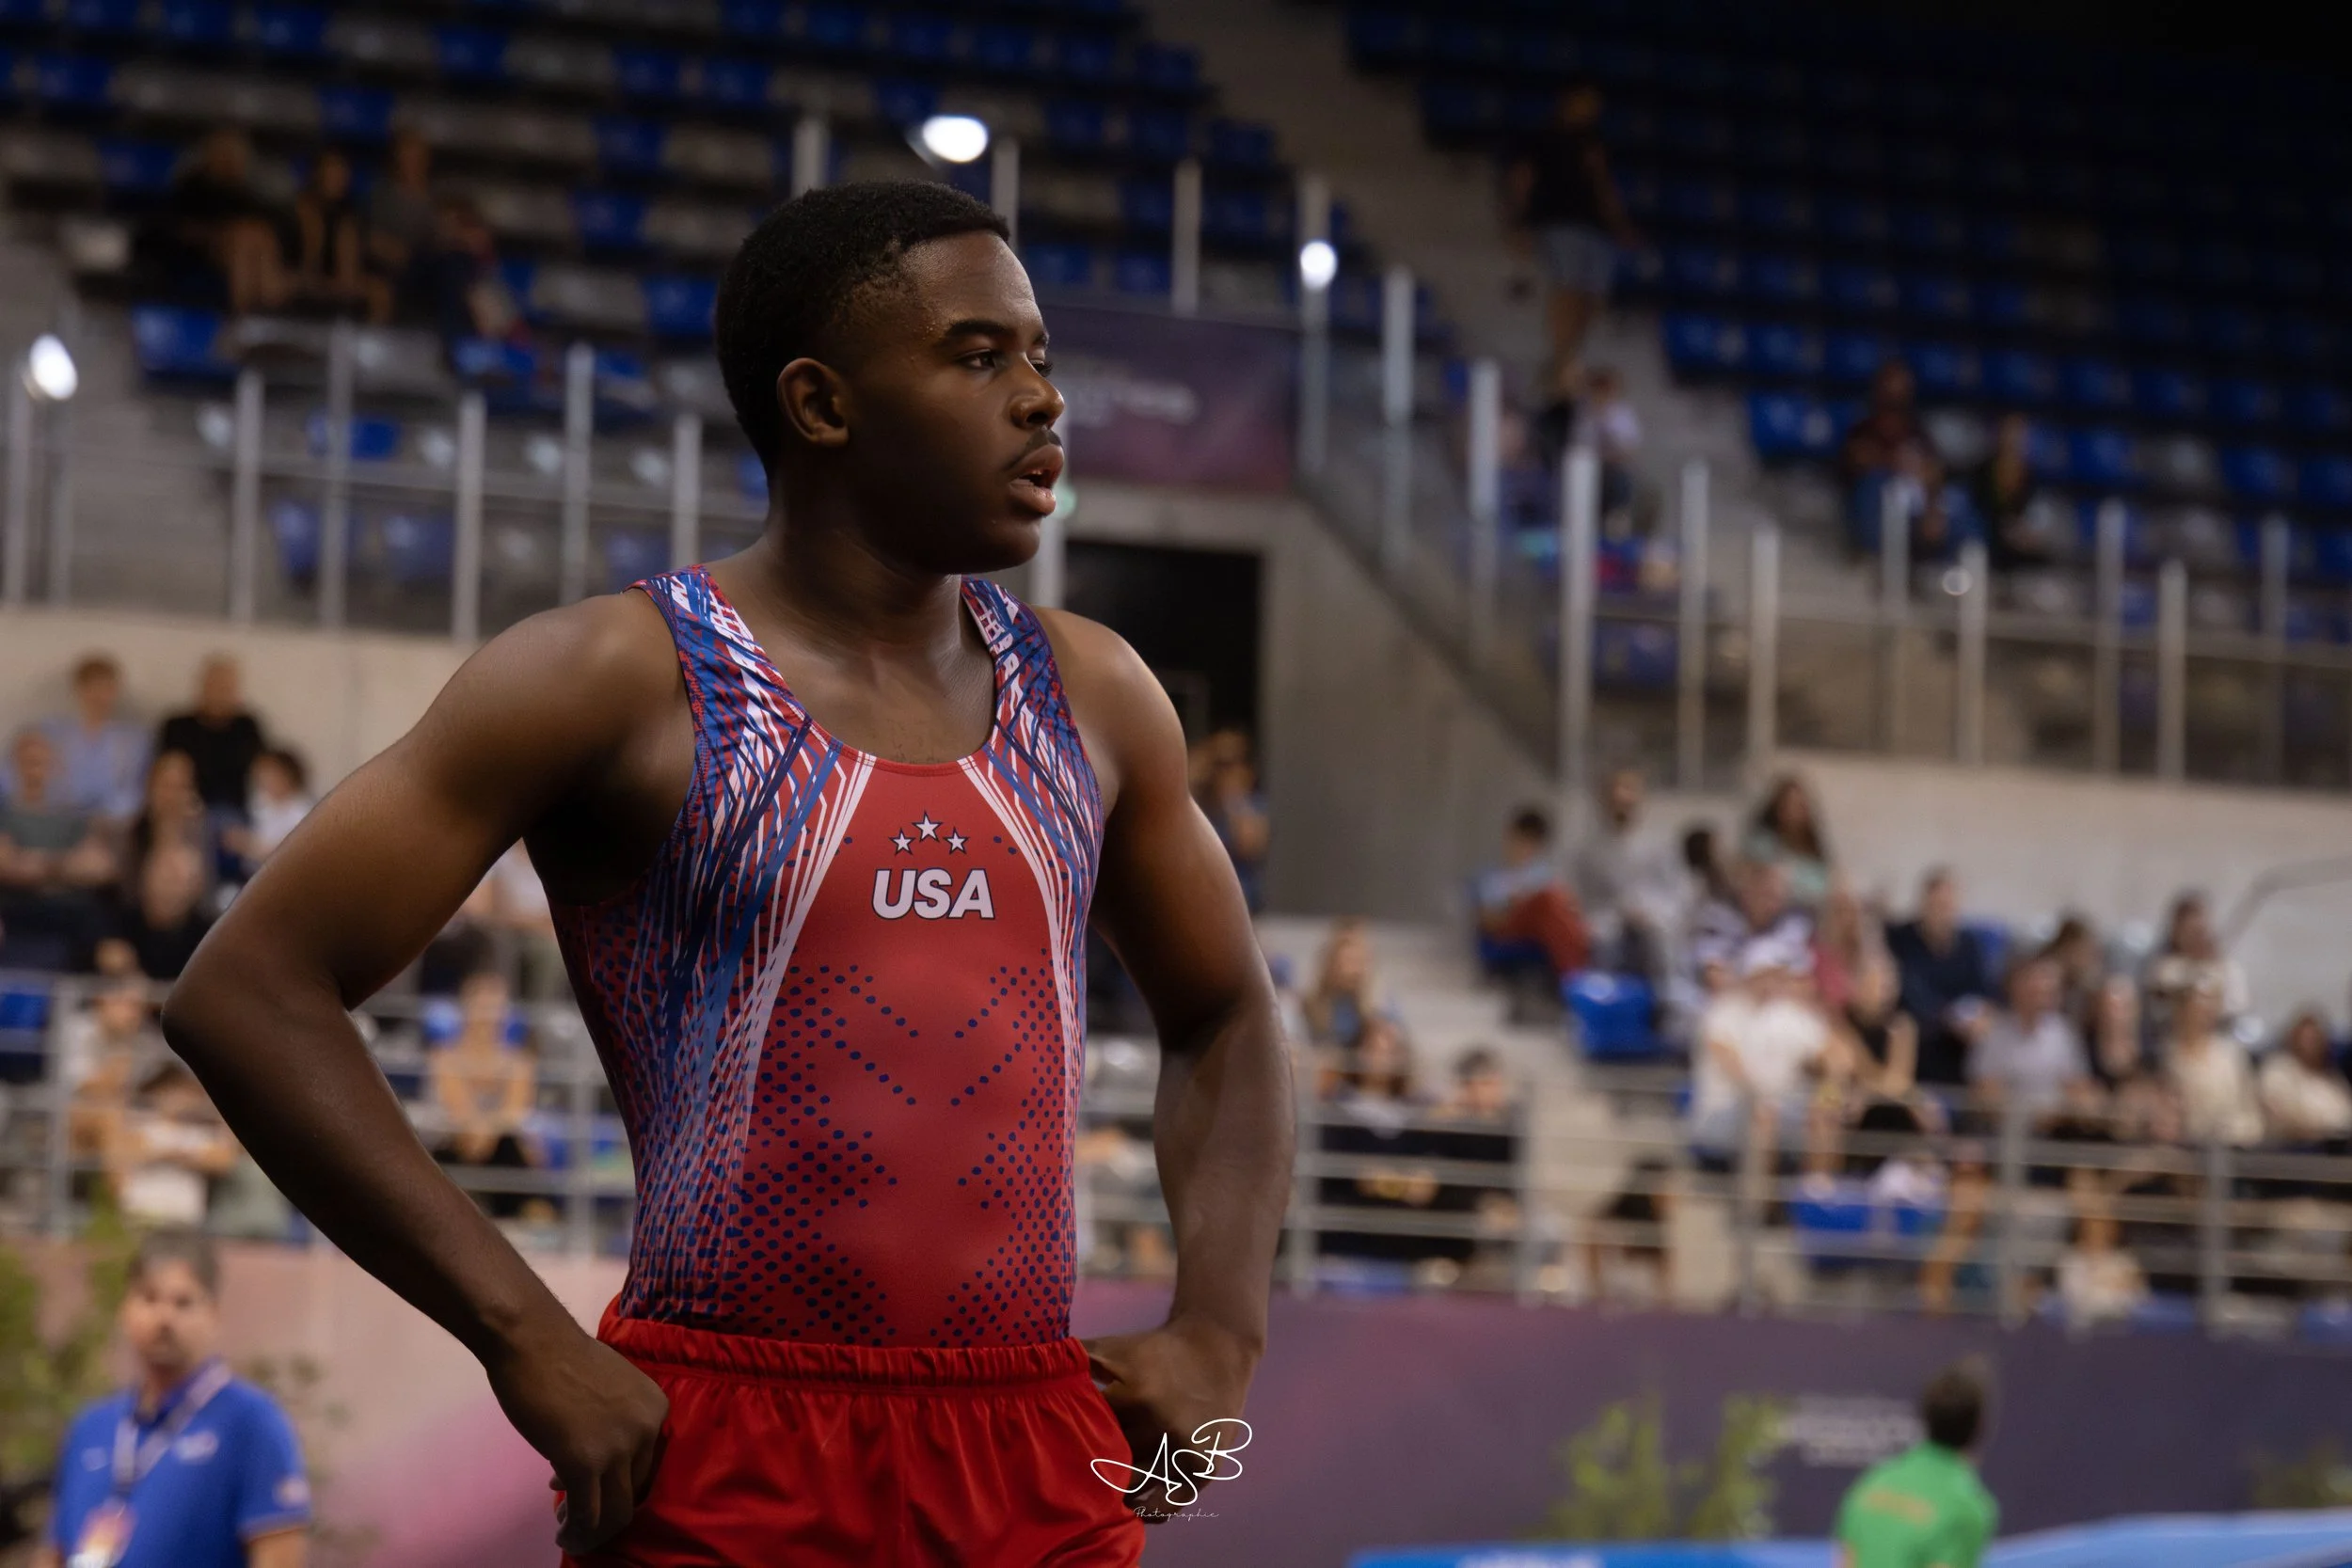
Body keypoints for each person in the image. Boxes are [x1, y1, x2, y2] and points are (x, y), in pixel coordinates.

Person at [163, 181, 1292, 1560]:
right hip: (723, 1440)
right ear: (819, 404)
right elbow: (248, 989)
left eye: (1041, 356)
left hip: (1030, 1448)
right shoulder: (616, 679)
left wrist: (1222, 1328)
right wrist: (521, 1335)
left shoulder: (1098, 694)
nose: (1044, 398)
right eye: (980, 355)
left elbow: (1229, 1014)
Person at [37, 1228, 310, 1568]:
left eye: (183, 1302)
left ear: (213, 1314)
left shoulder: (251, 1422)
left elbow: (279, 1555)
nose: (164, 1318)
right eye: (149, 1298)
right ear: (126, 1309)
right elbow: (54, 1553)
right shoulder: (91, 1427)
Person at [1503, 81, 1641, 427]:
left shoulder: (1594, 144)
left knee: (1591, 294)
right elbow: (1523, 178)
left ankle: (1570, 354)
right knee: (1567, 286)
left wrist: (1619, 224)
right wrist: (1519, 222)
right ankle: (1562, 357)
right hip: (1559, 222)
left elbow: (1603, 186)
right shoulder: (1544, 138)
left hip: (1594, 229)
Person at [1833, 1360, 1997, 1568]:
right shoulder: (1967, 1509)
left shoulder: (1872, 1482)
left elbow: (1845, 1562)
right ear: (1980, 1426)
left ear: (1926, 1416)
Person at [1687, 947, 1839, 1167]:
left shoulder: (1789, 1014)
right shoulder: (1724, 1011)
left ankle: (1816, 1193)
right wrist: (1765, 1099)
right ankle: (1759, 1199)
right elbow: (1732, 1065)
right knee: (1763, 1117)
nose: (1769, 983)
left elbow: (1833, 1056)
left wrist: (1828, 1091)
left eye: (1775, 976)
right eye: (1763, 976)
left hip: (1780, 1109)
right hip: (1725, 1111)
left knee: (1825, 1110)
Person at [426, 966, 548, 1223]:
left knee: (517, 1148)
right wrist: (480, 1128)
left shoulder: (519, 1062)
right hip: (457, 1145)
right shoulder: (444, 1057)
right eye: (481, 1004)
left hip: (501, 1148)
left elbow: (515, 1112)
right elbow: (457, 1110)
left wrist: (486, 1129)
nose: (487, 1014)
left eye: (494, 1005)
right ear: (465, 1007)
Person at [0, 727, 119, 966]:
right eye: (28, 762)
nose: (35, 770)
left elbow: (100, 868)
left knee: (105, 931)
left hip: (71, 909)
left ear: (53, 765)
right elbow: (8, 866)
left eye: (41, 762)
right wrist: (66, 866)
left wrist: (40, 864)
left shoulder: (73, 816)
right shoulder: (5, 813)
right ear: (15, 765)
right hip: (16, 905)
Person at [1569, 768, 1687, 981]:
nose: (1622, 798)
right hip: (1606, 928)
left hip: (1652, 925)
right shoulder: (1589, 851)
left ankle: (1667, 1005)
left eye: (1629, 791)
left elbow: (1677, 894)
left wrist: (1650, 915)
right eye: (1616, 793)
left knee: (1660, 949)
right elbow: (1579, 899)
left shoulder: (1660, 845)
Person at [1886, 869, 1996, 1088]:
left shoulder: (1969, 945)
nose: (1942, 913)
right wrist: (1946, 1018)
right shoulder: (1901, 940)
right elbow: (1907, 991)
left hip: (1963, 1043)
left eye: (1947, 906)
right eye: (1936, 905)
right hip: (1919, 1035)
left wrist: (1981, 1017)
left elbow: (1984, 992)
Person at [164, 128, 288, 318]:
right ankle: (242, 312)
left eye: (234, 156)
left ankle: (270, 305)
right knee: (242, 238)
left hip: (245, 247)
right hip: (201, 249)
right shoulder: (193, 187)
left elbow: (258, 223)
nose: (230, 161)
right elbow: (181, 228)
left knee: (259, 234)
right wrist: (220, 233)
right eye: (224, 154)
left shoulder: (244, 193)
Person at [1840, 360, 1947, 559]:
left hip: (1914, 505)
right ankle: (1875, 558)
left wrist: (1931, 500)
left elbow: (1933, 469)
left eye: (1902, 384)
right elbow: (1857, 458)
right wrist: (1894, 462)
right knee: (1875, 486)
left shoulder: (1917, 431)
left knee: (1954, 504)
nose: (1896, 391)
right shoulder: (1864, 428)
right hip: (1879, 502)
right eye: (1892, 383)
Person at [1968, 956, 2091, 1127]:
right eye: (2035, 982)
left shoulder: (2063, 1032)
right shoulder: (1994, 1033)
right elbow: (1986, 1092)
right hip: (2006, 1130)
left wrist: (2059, 1113)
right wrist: (2030, 1117)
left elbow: (2078, 1086)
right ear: (2016, 986)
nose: (2043, 988)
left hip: (2057, 1127)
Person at [1473, 806, 1592, 983]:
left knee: (1554, 902)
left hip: (1541, 929)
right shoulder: (1493, 878)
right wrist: (1515, 903)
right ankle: (1576, 975)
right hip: (1508, 926)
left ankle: (1574, 972)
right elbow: (1487, 921)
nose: (1525, 847)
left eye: (1532, 842)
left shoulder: (1543, 874)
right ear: (1510, 838)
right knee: (1548, 899)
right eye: (1521, 839)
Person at [36, 653, 151, 823]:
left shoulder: (134, 739)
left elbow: (139, 788)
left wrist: (111, 813)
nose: (99, 696)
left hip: (114, 824)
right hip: (58, 818)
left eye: (106, 688)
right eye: (92, 687)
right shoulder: (53, 733)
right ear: (78, 689)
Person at [157, 657, 266, 818]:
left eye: (225, 687)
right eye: (214, 685)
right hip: (182, 810)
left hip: (235, 813)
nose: (219, 693)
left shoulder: (247, 728)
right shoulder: (177, 726)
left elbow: (261, 773)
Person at [291, 149, 389, 323]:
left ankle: (372, 342)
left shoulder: (347, 217)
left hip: (334, 283)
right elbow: (308, 263)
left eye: (341, 173)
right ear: (317, 175)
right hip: (300, 277)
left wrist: (342, 283)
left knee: (379, 291)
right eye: (331, 171)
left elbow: (347, 274)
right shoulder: (303, 209)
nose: (337, 179)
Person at [2164, 979, 2263, 1148]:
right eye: (2196, 1006)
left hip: (2236, 1145)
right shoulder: (2169, 1057)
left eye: (2208, 1006)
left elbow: (2249, 1107)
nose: (2202, 1012)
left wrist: (2244, 1132)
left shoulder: (2231, 1054)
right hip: (2189, 1146)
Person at [2143, 891, 2249, 1034]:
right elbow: (2158, 1009)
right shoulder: (2163, 969)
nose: (2195, 939)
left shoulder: (2227, 969)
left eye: (2199, 931)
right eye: (2189, 932)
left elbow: (2237, 1006)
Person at [1193, 727, 1269, 913]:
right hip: (1201, 901)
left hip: (1244, 905)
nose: (1224, 772)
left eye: (1232, 763)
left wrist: (1234, 798)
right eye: (1219, 764)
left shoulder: (1253, 805)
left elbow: (1249, 844)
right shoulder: (1202, 803)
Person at [1970, 412, 2058, 572]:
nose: (2013, 439)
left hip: (2023, 550)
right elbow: (1977, 511)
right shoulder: (1981, 472)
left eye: (2019, 433)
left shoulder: (2031, 476)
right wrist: (2004, 530)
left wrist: (2026, 533)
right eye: (2009, 432)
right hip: (1990, 545)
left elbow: (2038, 514)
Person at [2260, 1010, 2352, 1148]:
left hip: (2338, 1150)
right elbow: (2283, 1120)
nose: (2311, 1045)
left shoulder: (2332, 1078)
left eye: (2316, 1039)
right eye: (2306, 1039)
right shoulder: (2278, 1072)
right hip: (2296, 1152)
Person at [1741, 773, 1832, 911]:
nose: (1795, 812)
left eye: (1800, 806)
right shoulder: (1762, 846)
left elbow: (1825, 887)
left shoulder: (1813, 852)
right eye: (1790, 805)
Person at [2055, 1199, 2148, 1329]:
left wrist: (2104, 1286)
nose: (2099, 1232)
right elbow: (2072, 1296)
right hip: (2081, 1326)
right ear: (2083, 1229)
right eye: (2093, 1227)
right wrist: (2111, 1283)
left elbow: (2140, 1297)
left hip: (2122, 1326)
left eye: (2104, 1226)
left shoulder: (2126, 1260)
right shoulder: (2072, 1259)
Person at [1302, 917, 1389, 1048]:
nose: (1353, 971)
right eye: (1347, 961)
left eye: (1358, 962)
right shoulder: (1310, 1005)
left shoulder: (1381, 1007)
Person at [367, 128, 437, 286]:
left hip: (428, 267)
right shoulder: (381, 196)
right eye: (406, 155)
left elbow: (441, 237)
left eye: (416, 156)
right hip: (391, 267)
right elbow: (369, 237)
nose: (411, 162)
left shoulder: (437, 199)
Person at [233, 748, 313, 874]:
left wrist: (247, 844)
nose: (265, 781)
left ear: (288, 776)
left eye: (270, 775)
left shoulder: (302, 809)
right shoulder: (261, 803)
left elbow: (287, 853)